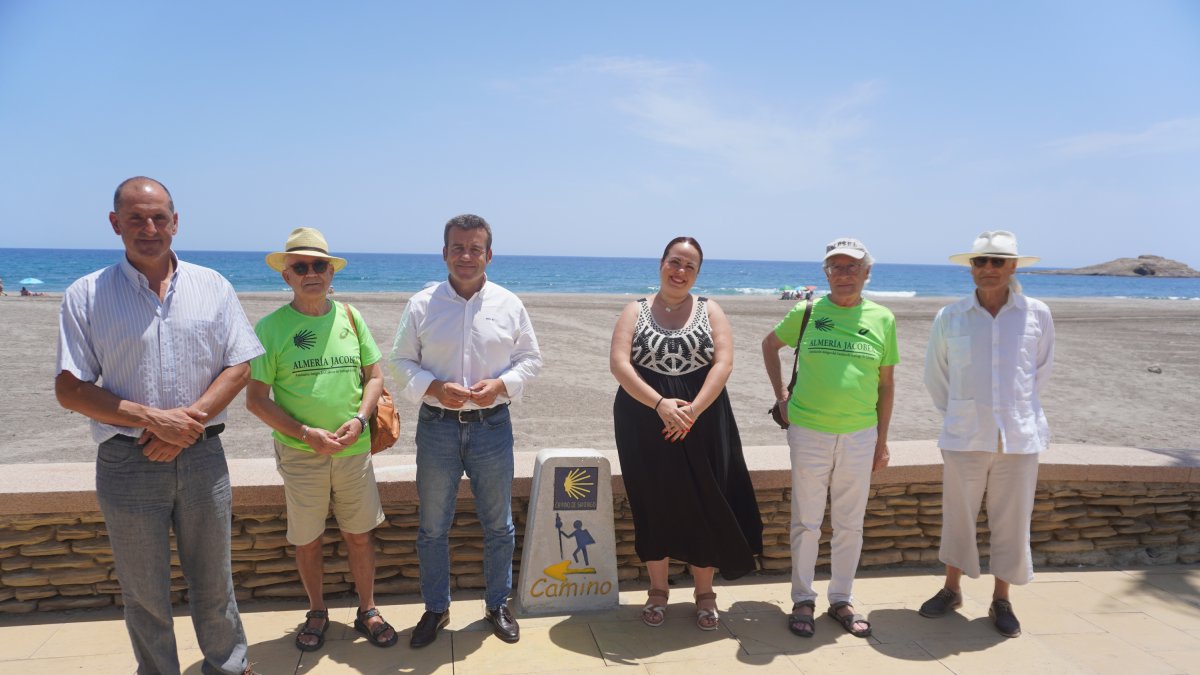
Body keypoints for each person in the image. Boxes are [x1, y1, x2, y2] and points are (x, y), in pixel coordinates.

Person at [54, 177, 263, 675]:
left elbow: (240, 365)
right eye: (136, 218)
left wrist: (187, 425)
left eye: (159, 218)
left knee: (215, 583)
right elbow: (70, 388)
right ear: (115, 224)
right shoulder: (85, 295)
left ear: (175, 221)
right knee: (144, 592)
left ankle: (228, 668)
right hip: (127, 462)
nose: (149, 228)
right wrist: (153, 419)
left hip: (203, 457)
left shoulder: (213, 285)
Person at [389, 214, 542, 647]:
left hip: (492, 427)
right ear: (444, 253)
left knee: (499, 525)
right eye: (458, 248)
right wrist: (434, 387)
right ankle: (436, 609)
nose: (466, 256)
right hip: (437, 427)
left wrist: (502, 385)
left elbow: (530, 358)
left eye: (475, 248)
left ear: (489, 255)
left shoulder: (509, 304)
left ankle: (497, 605)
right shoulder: (421, 304)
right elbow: (400, 362)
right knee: (432, 528)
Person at [245, 227, 396, 651]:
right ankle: (316, 611)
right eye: (300, 266)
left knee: (359, 534)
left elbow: (375, 376)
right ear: (286, 276)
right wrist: (305, 434)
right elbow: (255, 400)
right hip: (300, 454)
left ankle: (367, 608)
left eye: (319, 265)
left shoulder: (351, 316)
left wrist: (361, 419)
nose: (311, 272)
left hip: (354, 450)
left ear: (331, 273)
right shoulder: (270, 328)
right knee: (307, 538)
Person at [610, 236, 763, 631]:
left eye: (689, 266)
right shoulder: (634, 310)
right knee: (652, 502)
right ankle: (658, 591)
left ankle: (705, 593)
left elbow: (724, 363)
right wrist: (660, 405)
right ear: (661, 263)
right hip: (644, 422)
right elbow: (620, 365)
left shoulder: (712, 309)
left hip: (704, 421)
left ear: (698, 273)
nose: (680, 271)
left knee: (705, 501)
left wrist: (692, 410)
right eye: (674, 262)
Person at [918, 230, 1055, 638]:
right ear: (971, 268)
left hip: (1019, 437)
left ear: (1013, 267)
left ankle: (1002, 598)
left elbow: (1038, 374)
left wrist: (1012, 413)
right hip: (964, 436)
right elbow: (935, 376)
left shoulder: (1037, 314)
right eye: (981, 262)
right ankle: (951, 588)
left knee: (1012, 521)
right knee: (957, 516)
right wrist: (963, 413)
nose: (988, 269)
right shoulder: (950, 316)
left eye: (998, 262)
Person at [761, 237, 897, 640]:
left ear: (866, 273)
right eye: (835, 267)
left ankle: (841, 599)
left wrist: (882, 440)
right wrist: (780, 396)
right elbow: (769, 346)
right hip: (808, 432)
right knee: (806, 521)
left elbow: (887, 384)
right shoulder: (806, 312)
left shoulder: (883, 319)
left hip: (860, 433)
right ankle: (803, 599)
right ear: (826, 273)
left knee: (850, 524)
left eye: (852, 267)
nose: (843, 274)